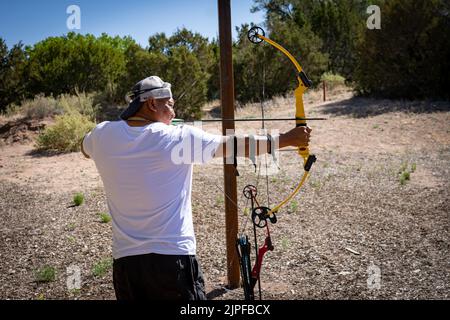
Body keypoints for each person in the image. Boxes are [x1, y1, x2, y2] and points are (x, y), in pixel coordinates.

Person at [81, 75, 311, 300]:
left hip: (126, 265)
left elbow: (84, 146)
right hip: (173, 262)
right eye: (169, 105)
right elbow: (234, 145)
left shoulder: (102, 134)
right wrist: (288, 139)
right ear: (152, 103)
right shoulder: (177, 138)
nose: (174, 113)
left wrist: (147, 130)